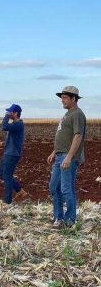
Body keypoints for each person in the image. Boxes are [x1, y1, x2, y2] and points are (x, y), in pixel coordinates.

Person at [47, 86, 86, 227]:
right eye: (61, 98)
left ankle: (70, 221)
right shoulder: (68, 114)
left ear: (73, 98)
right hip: (60, 155)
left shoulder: (77, 114)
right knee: (54, 186)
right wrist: (54, 152)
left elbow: (78, 136)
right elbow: (64, 136)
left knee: (66, 188)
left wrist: (69, 157)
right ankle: (59, 218)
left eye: (64, 98)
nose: (62, 100)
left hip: (68, 157)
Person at [0, 104, 27, 204]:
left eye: (10, 112)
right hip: (9, 152)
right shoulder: (15, 124)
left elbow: (4, 126)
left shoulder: (18, 124)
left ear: (16, 113)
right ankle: (19, 190)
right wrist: (4, 143)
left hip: (12, 154)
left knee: (7, 177)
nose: (9, 113)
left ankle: (7, 201)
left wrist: (6, 116)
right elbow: (14, 139)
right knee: (1, 173)